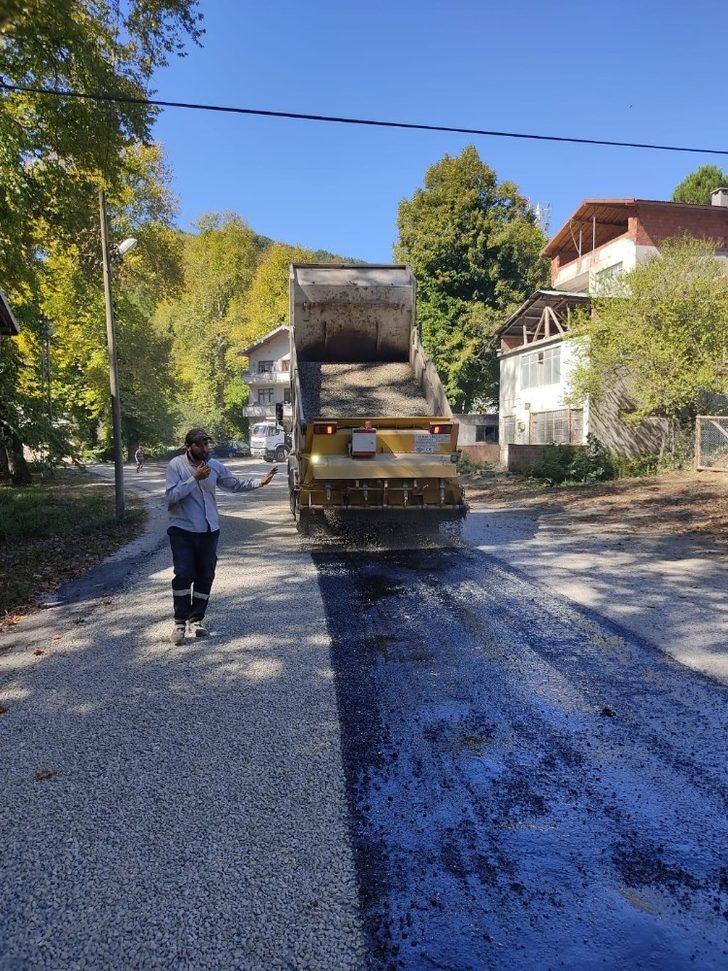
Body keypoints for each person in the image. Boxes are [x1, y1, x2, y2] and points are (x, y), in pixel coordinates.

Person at [164, 428, 277, 644]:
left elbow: (233, 484)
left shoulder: (214, 466)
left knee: (206, 575)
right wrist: (194, 479)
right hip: (183, 530)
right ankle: (179, 623)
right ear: (188, 446)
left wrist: (260, 482)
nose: (204, 449)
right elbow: (171, 497)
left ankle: (196, 620)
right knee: (184, 574)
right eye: (199, 445)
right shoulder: (176, 465)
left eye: (206, 444)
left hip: (209, 530)